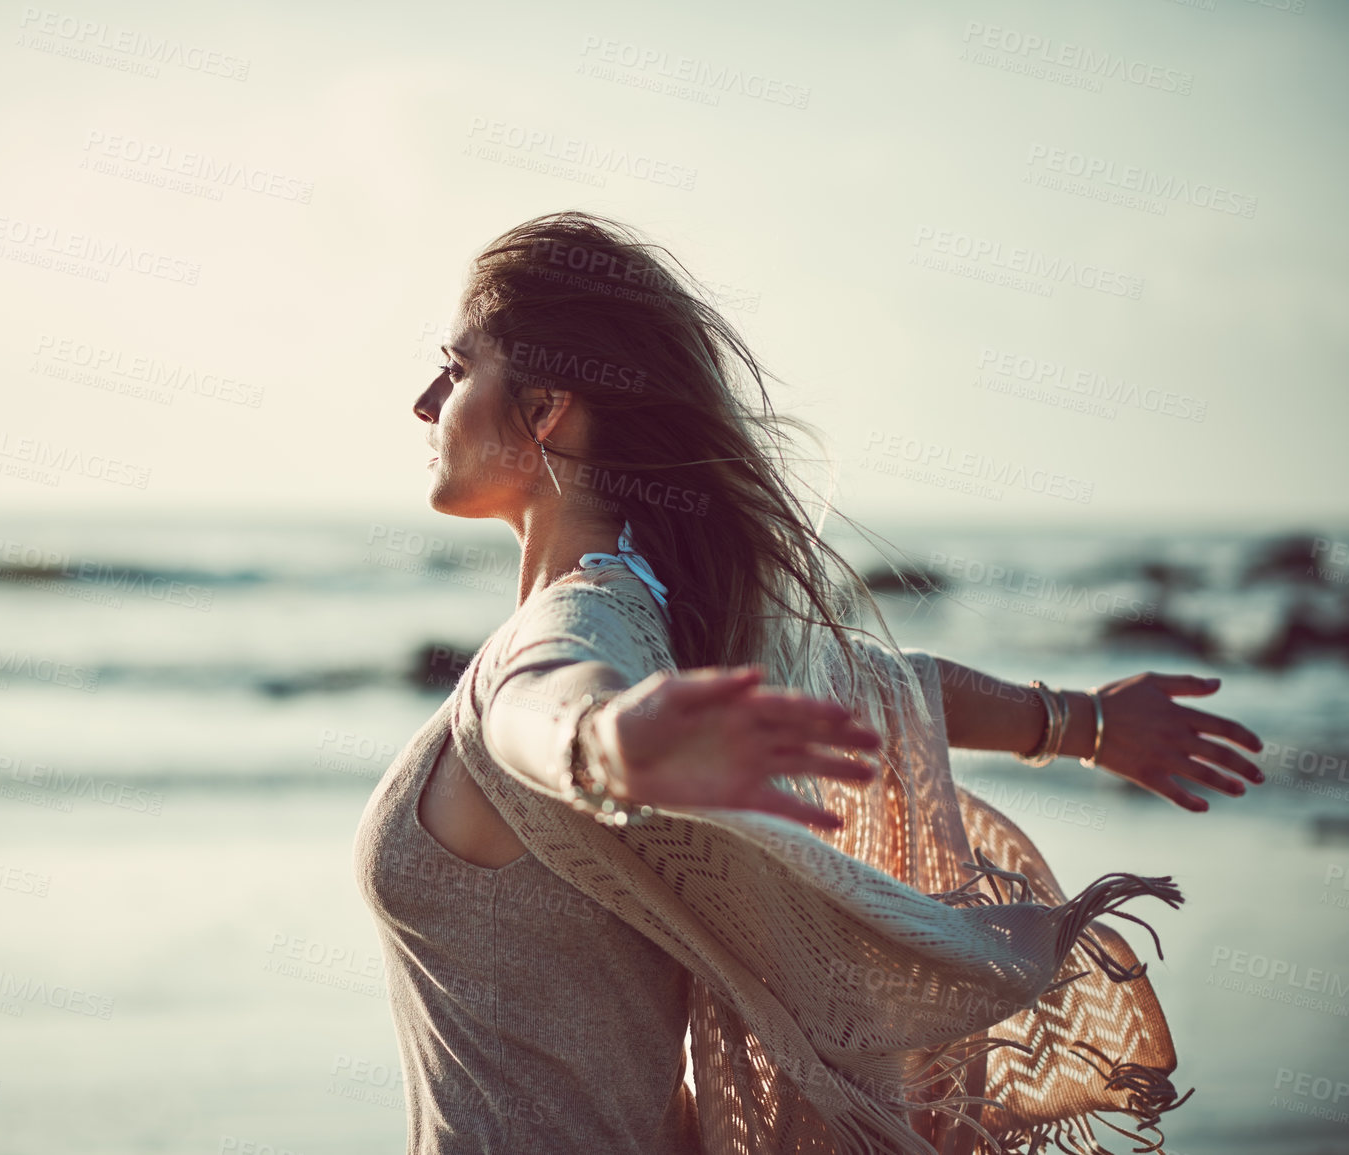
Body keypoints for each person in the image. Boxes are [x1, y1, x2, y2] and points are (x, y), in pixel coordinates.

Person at [352, 211, 1263, 1155]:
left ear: (544, 407)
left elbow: (539, 698)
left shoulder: (571, 628)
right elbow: (879, 685)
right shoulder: (675, 622)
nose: (427, 401)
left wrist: (608, 743)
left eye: (456, 367)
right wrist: (1084, 723)